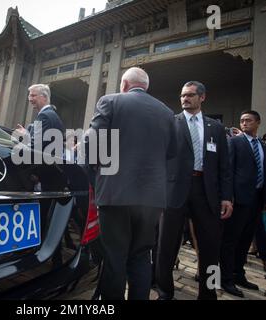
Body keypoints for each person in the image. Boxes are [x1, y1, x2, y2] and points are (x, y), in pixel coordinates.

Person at [88, 67, 177, 300]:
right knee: (140, 255)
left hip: (115, 193)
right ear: (145, 86)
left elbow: (92, 145)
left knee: (115, 255)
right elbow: (172, 152)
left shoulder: (110, 101)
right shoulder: (167, 112)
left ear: (125, 84)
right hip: (152, 198)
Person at [155, 81, 233, 300]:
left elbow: (224, 166)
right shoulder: (170, 123)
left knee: (211, 247)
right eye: (182, 95)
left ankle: (209, 294)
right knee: (166, 246)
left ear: (202, 97)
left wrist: (227, 197)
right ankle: (164, 292)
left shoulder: (216, 127)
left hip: (206, 192)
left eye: (189, 95)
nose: (184, 99)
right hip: (174, 191)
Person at [220, 110, 266, 297]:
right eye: (242, 120)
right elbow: (228, 171)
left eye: (248, 120)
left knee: (246, 239)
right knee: (231, 240)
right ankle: (226, 279)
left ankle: (239, 274)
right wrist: (228, 197)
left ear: (258, 122)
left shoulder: (262, 146)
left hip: (256, 199)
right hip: (238, 200)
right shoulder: (235, 142)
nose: (244, 123)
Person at [16, 84, 64, 149]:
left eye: (33, 95)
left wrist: (24, 135)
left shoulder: (44, 116)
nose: (30, 99)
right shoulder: (50, 114)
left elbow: (34, 146)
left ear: (44, 97)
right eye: (29, 96)